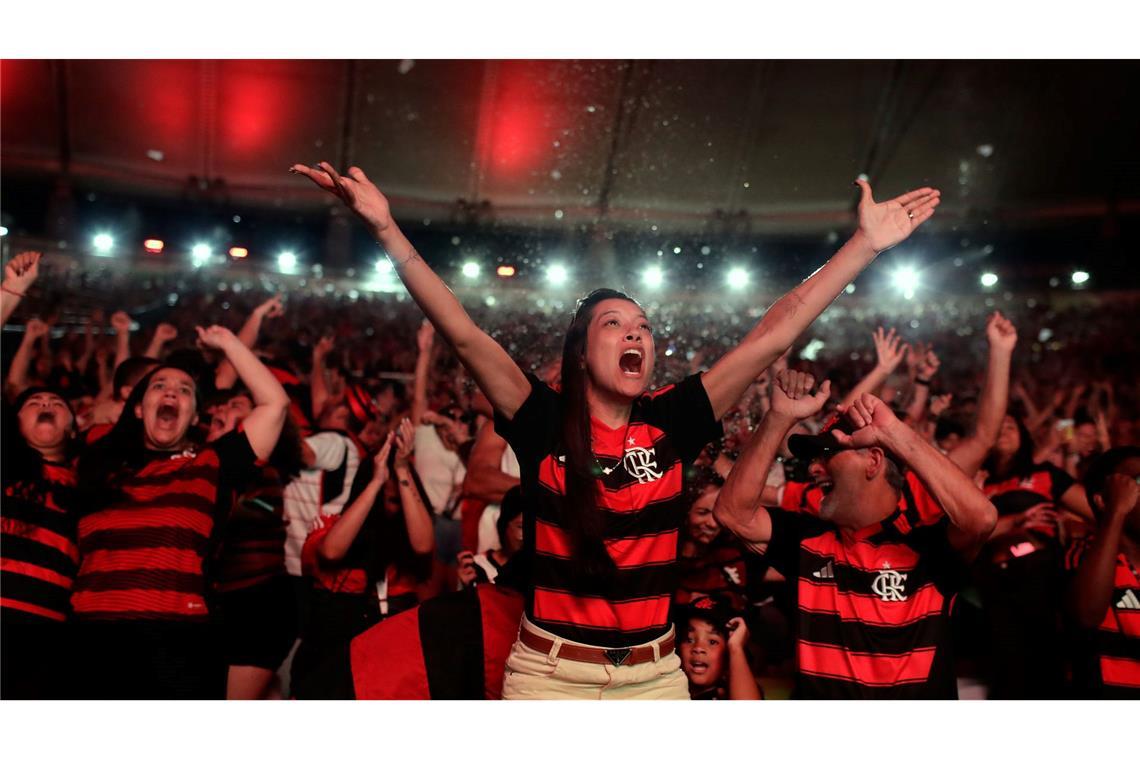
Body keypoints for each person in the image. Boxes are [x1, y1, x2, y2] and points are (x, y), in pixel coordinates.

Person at [292, 158, 940, 699]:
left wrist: (866, 246)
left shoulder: (674, 421)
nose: (636, 332)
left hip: (656, 677)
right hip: (549, 678)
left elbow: (773, 335)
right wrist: (383, 227)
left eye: (643, 327)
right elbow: (462, 333)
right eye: (614, 324)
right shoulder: (541, 421)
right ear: (580, 354)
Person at [714, 370, 997, 698]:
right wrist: (778, 418)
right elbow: (731, 512)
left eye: (827, 456)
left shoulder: (924, 543)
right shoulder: (808, 541)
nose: (813, 469)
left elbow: (982, 518)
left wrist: (892, 432)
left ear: (873, 461)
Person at [71, 325, 289, 698]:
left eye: (184, 390)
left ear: (193, 417)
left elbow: (274, 405)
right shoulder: (97, 458)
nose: (171, 391)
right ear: (138, 409)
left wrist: (226, 342)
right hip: (92, 634)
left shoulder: (212, 463)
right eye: (158, 385)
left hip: (178, 640)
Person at [291, 419, 434, 698]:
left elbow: (424, 545)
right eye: (385, 498)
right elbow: (331, 552)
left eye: (396, 499)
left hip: (381, 668)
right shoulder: (332, 523)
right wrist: (376, 482)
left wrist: (402, 468)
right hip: (326, 661)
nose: (390, 506)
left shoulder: (407, 542)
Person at [206, 387, 304, 699]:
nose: (223, 411)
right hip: (231, 602)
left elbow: (242, 510)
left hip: (260, 604)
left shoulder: (264, 471)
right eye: (222, 405)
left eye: (236, 405)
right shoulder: (206, 462)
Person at [0, 386, 80, 698]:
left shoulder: (90, 481)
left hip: (47, 626)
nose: (45, 403)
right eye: (34, 402)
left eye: (56, 402)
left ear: (73, 426)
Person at [1064, 446, 1140, 697]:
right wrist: (1115, 513)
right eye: (1136, 483)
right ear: (1103, 500)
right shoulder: (1083, 554)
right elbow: (1086, 615)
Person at [675, 596, 761, 700]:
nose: (698, 648)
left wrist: (736, 648)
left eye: (712, 641)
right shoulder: (670, 692)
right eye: (689, 640)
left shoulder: (741, 691)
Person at [457, 485, 524, 588]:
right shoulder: (478, 567)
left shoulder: (541, 569)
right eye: (521, 527)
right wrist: (465, 589)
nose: (528, 536)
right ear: (504, 525)